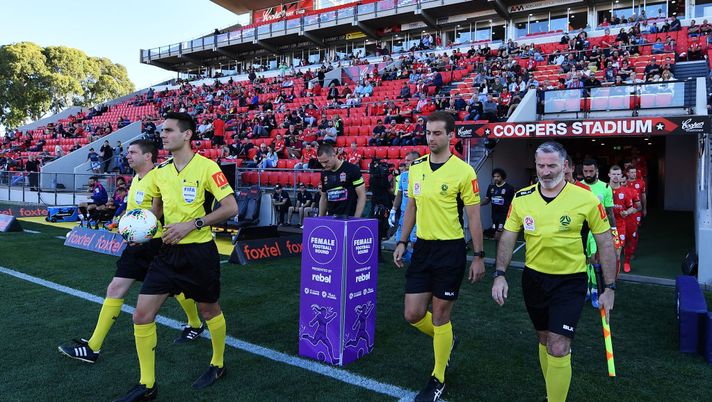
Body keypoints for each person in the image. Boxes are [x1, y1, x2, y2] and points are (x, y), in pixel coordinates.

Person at [112, 112, 238, 401]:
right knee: (141, 315)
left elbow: (231, 207)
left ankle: (218, 364)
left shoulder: (207, 167)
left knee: (209, 311)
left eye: (168, 130)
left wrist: (191, 225)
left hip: (199, 253)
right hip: (167, 253)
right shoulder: (161, 172)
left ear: (187, 135)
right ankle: (147, 385)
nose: (163, 135)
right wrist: (138, 233)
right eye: (162, 131)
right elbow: (156, 211)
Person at [58, 139, 205, 365]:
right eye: (127, 152)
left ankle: (195, 323)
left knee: (176, 288)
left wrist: (140, 231)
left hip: (155, 244)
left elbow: (160, 209)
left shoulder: (159, 176)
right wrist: (127, 227)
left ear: (147, 156)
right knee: (116, 287)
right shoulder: (135, 178)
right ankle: (93, 346)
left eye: (132, 152)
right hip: (136, 244)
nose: (127, 156)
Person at [492, 141, 617, 402]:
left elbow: (605, 241)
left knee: (559, 346)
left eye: (552, 165)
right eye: (541, 165)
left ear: (565, 166)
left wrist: (609, 287)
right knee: (544, 339)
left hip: (570, 281)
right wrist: (500, 274)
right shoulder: (522, 197)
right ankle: (552, 394)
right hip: (534, 279)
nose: (546, 171)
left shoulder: (586, 199)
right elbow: (508, 236)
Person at [393, 111, 485, 402]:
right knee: (413, 314)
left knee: (441, 314)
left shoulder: (464, 171)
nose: (431, 138)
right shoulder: (417, 168)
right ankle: (447, 340)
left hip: (451, 250)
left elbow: (473, 216)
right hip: (422, 249)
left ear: (450, 136)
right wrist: (403, 240)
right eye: (428, 133)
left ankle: (438, 378)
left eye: (436, 133)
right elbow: (411, 208)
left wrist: (480, 255)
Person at [317, 143, 366, 218]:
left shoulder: (352, 169)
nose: (324, 165)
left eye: (326, 162)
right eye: (321, 163)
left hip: (349, 218)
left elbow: (362, 196)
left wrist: (355, 219)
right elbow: (324, 197)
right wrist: (321, 218)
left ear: (333, 155)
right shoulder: (324, 173)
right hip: (331, 219)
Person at [389, 151, 420, 263]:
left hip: (418, 214)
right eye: (405, 160)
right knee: (399, 240)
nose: (405, 162)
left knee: (415, 241)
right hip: (403, 213)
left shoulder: (423, 175)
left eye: (408, 160)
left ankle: (417, 262)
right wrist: (393, 210)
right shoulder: (403, 176)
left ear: (415, 161)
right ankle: (409, 259)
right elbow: (399, 194)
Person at [481, 168, 514, 243]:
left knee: (499, 232)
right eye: (494, 176)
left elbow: (513, 202)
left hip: (504, 214)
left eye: (498, 176)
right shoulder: (491, 187)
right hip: (494, 215)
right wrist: (478, 205)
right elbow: (487, 199)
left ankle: (503, 249)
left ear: (502, 177)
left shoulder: (509, 188)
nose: (496, 178)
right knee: (496, 232)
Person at [625, 165, 646, 259]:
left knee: (634, 232)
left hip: (637, 211)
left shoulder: (641, 182)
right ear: (627, 173)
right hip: (625, 211)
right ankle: (624, 248)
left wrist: (644, 208)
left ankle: (631, 252)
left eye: (635, 172)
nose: (634, 174)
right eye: (632, 172)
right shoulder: (623, 183)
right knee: (624, 231)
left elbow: (643, 196)